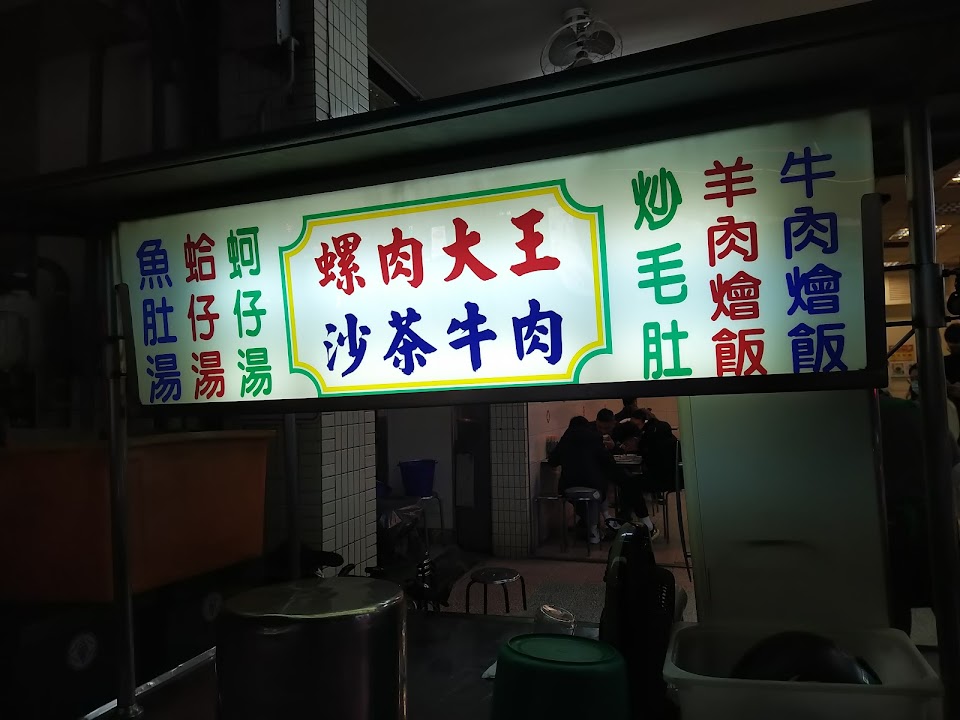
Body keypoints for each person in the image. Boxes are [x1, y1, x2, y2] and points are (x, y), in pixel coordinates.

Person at [878, 389, 960, 634]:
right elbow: (952, 456)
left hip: (880, 531)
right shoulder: (914, 413)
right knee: (947, 604)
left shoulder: (853, 420)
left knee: (892, 613)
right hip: (929, 525)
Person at [548, 416, 619, 544]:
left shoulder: (566, 439)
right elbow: (608, 461)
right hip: (594, 486)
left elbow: (552, 461)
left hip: (568, 487)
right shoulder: (595, 438)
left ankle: (593, 527)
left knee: (588, 497)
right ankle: (601, 523)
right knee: (599, 488)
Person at [907, 363, 959, 441]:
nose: (915, 383)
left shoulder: (945, 406)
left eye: (918, 379)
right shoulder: (913, 404)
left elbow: (950, 437)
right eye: (912, 379)